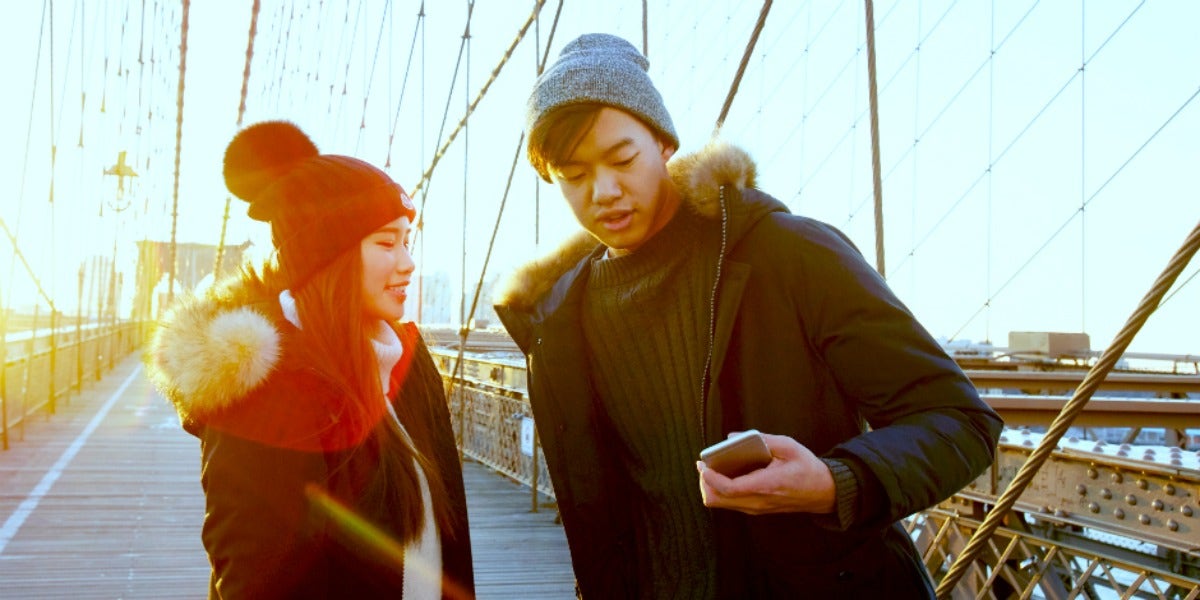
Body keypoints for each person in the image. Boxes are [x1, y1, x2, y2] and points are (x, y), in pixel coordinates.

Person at [493, 33, 1003, 599]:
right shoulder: (556, 321)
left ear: (663, 144)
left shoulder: (788, 254)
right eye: (573, 174)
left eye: (622, 158)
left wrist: (837, 482)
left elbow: (960, 421)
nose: (605, 191)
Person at [147, 121, 474, 599]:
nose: (407, 262)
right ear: (329, 256)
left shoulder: (406, 355)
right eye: (386, 243)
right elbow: (259, 582)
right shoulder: (266, 387)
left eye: (408, 241)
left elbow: (450, 545)